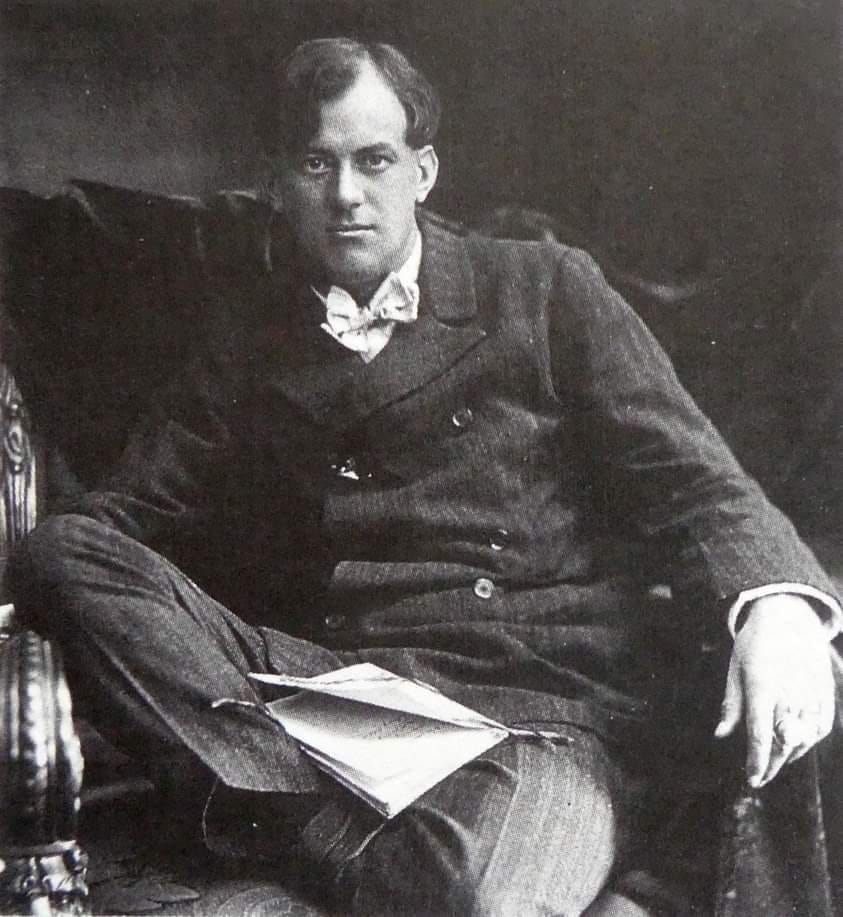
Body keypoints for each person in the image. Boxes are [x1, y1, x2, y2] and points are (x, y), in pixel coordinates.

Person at [10, 37, 839, 916]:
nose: (345, 195)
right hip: (331, 704)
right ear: (280, 184)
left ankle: (300, 831)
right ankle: (301, 812)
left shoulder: (543, 288)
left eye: (374, 160)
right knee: (61, 553)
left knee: (483, 898)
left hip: (530, 714)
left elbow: (696, 482)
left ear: (423, 171)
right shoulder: (251, 335)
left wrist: (778, 606)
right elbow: (114, 522)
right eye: (315, 164)